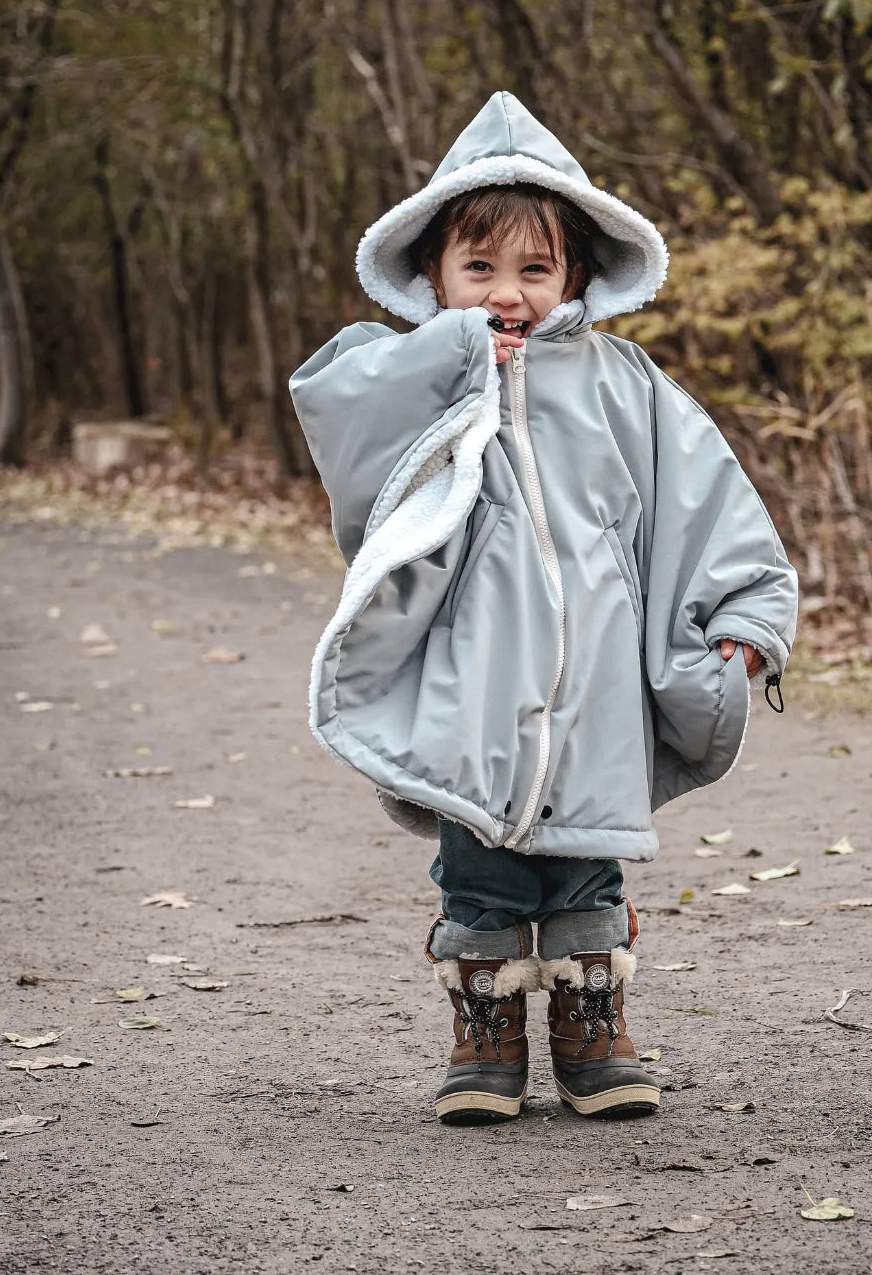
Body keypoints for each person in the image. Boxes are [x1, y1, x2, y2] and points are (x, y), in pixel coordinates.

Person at [289, 92, 798, 1126]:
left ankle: (592, 1022)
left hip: (595, 676)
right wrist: (452, 359)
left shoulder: (624, 384)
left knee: (585, 865)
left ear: (575, 275)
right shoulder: (412, 375)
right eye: (479, 270)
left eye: (534, 269)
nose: (508, 294)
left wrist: (744, 615)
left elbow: (706, 498)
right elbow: (340, 414)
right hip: (474, 675)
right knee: (478, 860)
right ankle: (486, 1033)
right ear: (434, 277)